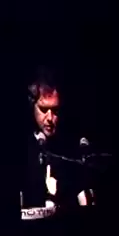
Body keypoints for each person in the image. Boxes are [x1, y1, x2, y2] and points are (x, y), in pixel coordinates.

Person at [21, 71, 93, 218]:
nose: (50, 118)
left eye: (55, 110)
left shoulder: (70, 152)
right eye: (43, 109)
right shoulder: (24, 151)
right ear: (31, 107)